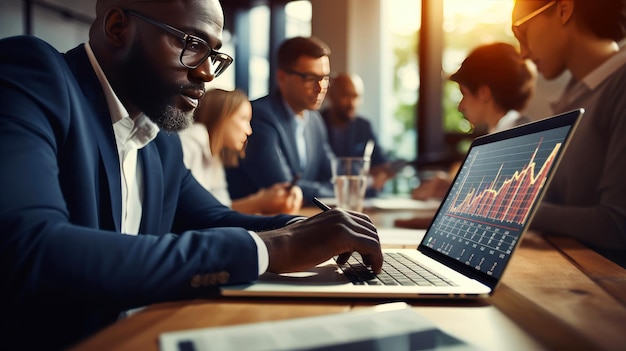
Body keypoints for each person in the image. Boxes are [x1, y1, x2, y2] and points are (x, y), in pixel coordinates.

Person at [0, 1, 383, 349]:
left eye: (214, 54)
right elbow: (33, 248)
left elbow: (214, 218)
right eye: (191, 44)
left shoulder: (159, 139)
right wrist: (278, 247)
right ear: (118, 27)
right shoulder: (34, 75)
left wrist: (304, 229)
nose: (205, 72)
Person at [511, 0, 626, 267]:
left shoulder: (619, 87)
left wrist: (515, 211)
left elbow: (617, 224)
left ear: (563, 9)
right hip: (571, 268)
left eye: (522, 33)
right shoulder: (576, 94)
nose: (523, 53)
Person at [410, 42, 535, 202]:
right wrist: (454, 187)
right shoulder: (502, 136)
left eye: (464, 94)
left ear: (483, 93)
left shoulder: (516, 141)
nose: (461, 106)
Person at [225, 36, 336, 205]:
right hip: (257, 224)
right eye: (310, 78)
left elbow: (335, 177)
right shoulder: (259, 116)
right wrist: (337, 188)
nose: (321, 88)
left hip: (299, 218)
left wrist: (340, 186)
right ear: (282, 77)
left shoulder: (315, 121)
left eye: (325, 78)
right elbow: (282, 187)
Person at [179, 88, 303, 215]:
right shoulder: (192, 139)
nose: (249, 131)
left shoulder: (214, 154)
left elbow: (221, 208)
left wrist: (263, 201)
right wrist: (260, 202)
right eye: (244, 119)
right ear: (222, 115)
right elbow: (200, 213)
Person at [320, 73, 399, 193]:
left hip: (363, 198)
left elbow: (381, 162)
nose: (352, 103)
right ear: (331, 95)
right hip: (327, 196)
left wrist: (383, 173)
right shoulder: (317, 124)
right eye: (346, 96)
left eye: (356, 97)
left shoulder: (364, 126)